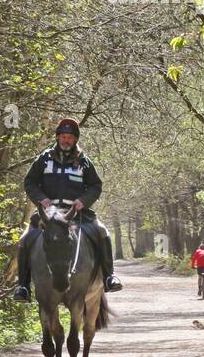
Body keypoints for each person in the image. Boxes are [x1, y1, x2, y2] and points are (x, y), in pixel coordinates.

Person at [13, 118, 123, 301]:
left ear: (76, 140)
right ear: (57, 138)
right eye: (63, 136)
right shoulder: (44, 158)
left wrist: (83, 201)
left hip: (76, 213)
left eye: (70, 137)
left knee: (103, 232)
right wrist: (41, 199)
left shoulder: (84, 162)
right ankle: (23, 286)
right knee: (25, 238)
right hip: (48, 214)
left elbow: (95, 185)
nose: (66, 140)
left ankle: (109, 277)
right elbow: (30, 182)